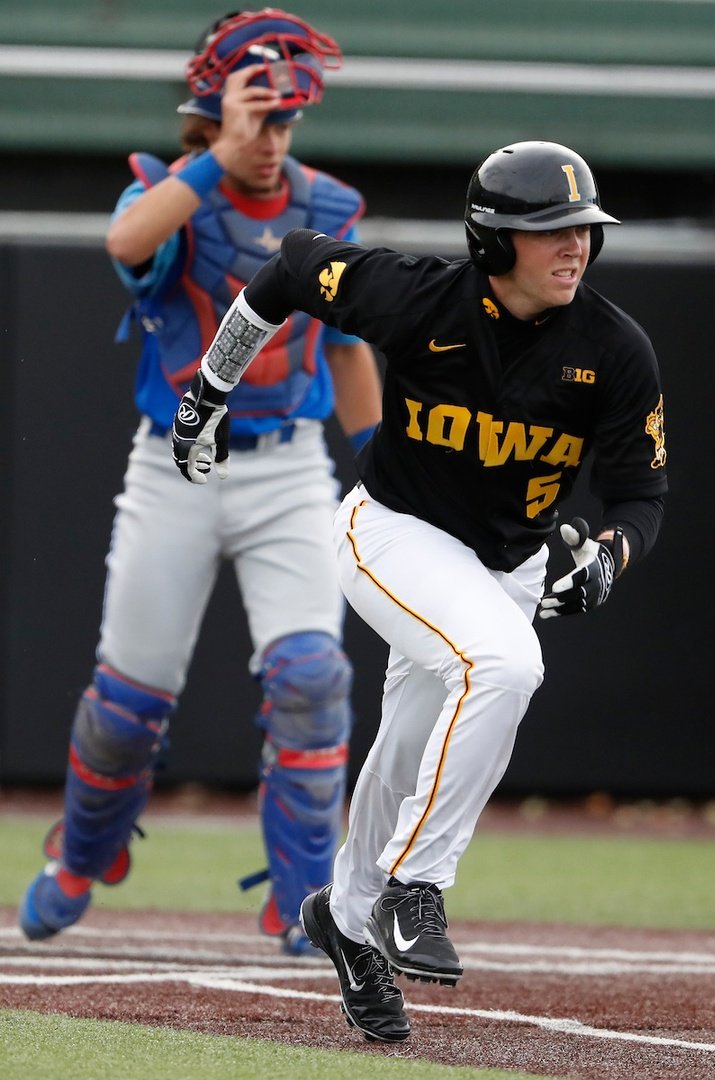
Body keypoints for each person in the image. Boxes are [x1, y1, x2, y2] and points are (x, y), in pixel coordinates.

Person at [170, 140, 668, 1038]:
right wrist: (210, 387)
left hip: (502, 566)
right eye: (548, 230)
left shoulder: (613, 347)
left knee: (409, 745)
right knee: (506, 669)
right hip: (392, 533)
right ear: (489, 239)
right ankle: (417, 886)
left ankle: (347, 916)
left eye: (583, 229)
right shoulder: (416, 296)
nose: (574, 247)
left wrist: (609, 557)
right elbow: (287, 267)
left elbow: (639, 494)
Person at [18, 9, 382, 957]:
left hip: (289, 468)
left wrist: (381, 464)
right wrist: (217, 150)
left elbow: (344, 350)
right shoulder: (174, 190)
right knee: (127, 707)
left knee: (312, 680)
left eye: (282, 121)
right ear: (214, 110)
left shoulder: (329, 208)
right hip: (176, 462)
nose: (271, 140)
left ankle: (310, 905)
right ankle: (80, 858)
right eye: (255, 116)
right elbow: (125, 242)